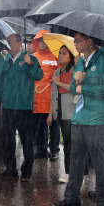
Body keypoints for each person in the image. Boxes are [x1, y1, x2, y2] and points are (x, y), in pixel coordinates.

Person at [55, 33, 104, 206]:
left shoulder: (103, 58)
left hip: (97, 119)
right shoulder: (80, 61)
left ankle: (102, 201)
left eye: (77, 41)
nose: (74, 44)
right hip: (80, 117)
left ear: (90, 41)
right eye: (74, 40)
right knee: (76, 160)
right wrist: (76, 80)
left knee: (100, 163)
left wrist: (83, 87)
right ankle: (72, 198)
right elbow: (74, 88)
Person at [0, 33, 43, 182]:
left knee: (26, 140)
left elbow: (39, 76)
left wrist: (31, 65)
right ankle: (10, 168)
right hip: (8, 107)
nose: (8, 45)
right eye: (7, 42)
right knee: (7, 139)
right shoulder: (6, 60)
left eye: (10, 42)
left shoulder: (30, 58)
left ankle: (26, 171)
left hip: (24, 107)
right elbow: (2, 82)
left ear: (19, 42)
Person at [47, 45, 77, 183]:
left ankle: (72, 174)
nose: (60, 55)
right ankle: (70, 173)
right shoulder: (57, 72)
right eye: (59, 53)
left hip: (71, 113)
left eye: (64, 53)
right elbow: (53, 94)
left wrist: (59, 83)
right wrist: (50, 114)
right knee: (67, 143)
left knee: (71, 145)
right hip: (60, 113)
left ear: (71, 56)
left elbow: (74, 89)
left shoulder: (74, 70)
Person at [32, 30, 61, 161]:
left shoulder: (56, 57)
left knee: (54, 125)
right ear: (36, 42)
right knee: (39, 125)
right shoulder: (33, 57)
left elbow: (61, 74)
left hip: (51, 97)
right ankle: (42, 149)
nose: (42, 43)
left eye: (44, 40)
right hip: (37, 98)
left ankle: (54, 150)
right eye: (39, 41)